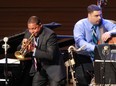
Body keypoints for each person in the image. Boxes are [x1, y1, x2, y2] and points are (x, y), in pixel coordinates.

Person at [73, 4, 116, 86]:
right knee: (83, 79)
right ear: (89, 15)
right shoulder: (80, 24)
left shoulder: (103, 21)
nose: (99, 18)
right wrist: (95, 48)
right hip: (84, 55)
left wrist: (110, 33)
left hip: (100, 55)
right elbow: (79, 41)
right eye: (96, 16)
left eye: (100, 15)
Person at [17, 16, 66, 86]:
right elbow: (19, 48)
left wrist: (33, 50)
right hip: (40, 69)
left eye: (34, 28)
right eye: (30, 29)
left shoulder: (50, 35)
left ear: (40, 26)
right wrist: (23, 45)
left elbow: (50, 55)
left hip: (53, 69)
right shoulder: (28, 32)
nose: (31, 31)